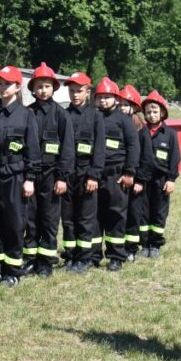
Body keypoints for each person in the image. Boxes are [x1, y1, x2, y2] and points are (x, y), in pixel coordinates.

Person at [0, 66, 40, 286]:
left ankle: (13, 270)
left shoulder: (26, 115)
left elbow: (33, 150)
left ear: (17, 87)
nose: (2, 87)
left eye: (6, 83)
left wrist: (30, 179)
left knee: (14, 223)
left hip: (15, 176)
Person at [25, 63, 74, 277]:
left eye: (46, 86)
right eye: (39, 86)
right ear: (32, 89)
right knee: (30, 216)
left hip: (52, 174)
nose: (43, 90)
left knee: (49, 217)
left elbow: (68, 148)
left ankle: (45, 261)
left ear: (53, 88)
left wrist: (62, 177)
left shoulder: (61, 115)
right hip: (31, 173)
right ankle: (30, 258)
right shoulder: (27, 113)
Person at [90, 78, 138, 272]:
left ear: (116, 99)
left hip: (116, 174)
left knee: (115, 214)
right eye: (100, 97)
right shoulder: (92, 118)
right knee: (93, 215)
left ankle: (116, 255)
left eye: (107, 97)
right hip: (94, 174)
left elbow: (134, 146)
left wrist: (129, 172)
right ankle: (93, 254)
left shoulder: (124, 120)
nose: (103, 101)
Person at [62, 72, 106, 273]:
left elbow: (99, 148)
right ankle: (70, 256)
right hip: (67, 175)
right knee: (68, 217)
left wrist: (94, 175)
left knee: (86, 218)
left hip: (86, 174)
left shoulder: (96, 117)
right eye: (71, 91)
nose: (75, 95)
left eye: (79, 91)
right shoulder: (63, 115)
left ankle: (85, 258)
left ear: (88, 92)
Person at [140, 90, 180, 258]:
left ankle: (155, 244)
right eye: (148, 111)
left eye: (155, 111)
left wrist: (171, 179)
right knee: (143, 212)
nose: (152, 114)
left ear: (163, 113)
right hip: (144, 180)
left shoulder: (170, 135)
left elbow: (175, 158)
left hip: (161, 180)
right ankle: (144, 244)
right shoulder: (141, 133)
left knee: (159, 212)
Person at [121, 84, 152, 262]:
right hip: (120, 177)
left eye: (126, 105)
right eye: (120, 104)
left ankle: (131, 248)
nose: (122, 108)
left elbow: (147, 158)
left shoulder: (141, 129)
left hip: (136, 181)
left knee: (133, 213)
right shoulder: (116, 124)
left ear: (134, 107)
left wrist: (140, 180)